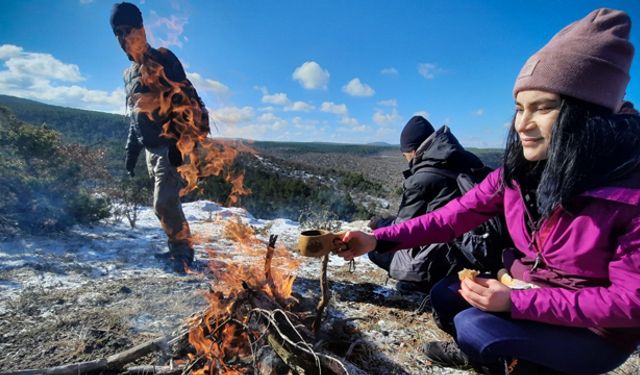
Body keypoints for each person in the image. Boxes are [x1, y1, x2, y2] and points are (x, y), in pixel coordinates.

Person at [336, 8, 639, 374]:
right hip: (527, 290)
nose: (523, 124)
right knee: (446, 295)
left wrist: (518, 303)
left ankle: (522, 364)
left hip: (596, 332)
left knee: (475, 327)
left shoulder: (626, 194)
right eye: (519, 108)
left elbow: (629, 302)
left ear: (587, 115)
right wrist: (376, 240)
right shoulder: (518, 174)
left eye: (543, 109)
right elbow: (450, 219)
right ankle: (503, 356)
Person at [110, 2, 210, 272]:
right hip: (150, 150)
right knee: (167, 204)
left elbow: (188, 102)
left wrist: (182, 141)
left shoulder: (164, 59)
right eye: (117, 32)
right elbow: (136, 116)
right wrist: (131, 152)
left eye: (128, 29)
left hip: (173, 145)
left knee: (163, 202)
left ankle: (183, 252)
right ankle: (177, 246)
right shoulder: (128, 74)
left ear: (141, 29)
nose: (123, 37)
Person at [368, 115, 488, 294]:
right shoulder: (467, 159)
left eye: (405, 154)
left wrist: (379, 225)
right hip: (478, 249)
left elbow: (403, 228)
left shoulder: (422, 178)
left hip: (446, 253)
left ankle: (421, 283)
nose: (406, 159)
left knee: (377, 250)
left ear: (414, 151)